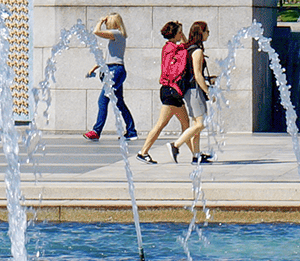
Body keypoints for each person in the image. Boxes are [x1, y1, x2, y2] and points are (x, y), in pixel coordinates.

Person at [134, 21, 192, 163]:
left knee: (186, 125)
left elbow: (185, 46)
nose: (181, 35)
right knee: (161, 124)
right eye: (180, 32)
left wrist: (181, 34)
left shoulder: (169, 47)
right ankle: (143, 152)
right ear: (175, 34)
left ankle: (196, 153)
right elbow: (187, 49)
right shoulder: (172, 49)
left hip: (171, 92)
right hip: (170, 91)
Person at [84, 12, 136, 140]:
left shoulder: (117, 34)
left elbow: (96, 32)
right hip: (115, 70)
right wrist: (95, 67)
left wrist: (100, 21)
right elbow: (110, 57)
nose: (106, 24)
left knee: (102, 101)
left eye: (108, 22)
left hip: (115, 71)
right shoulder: (117, 37)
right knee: (119, 103)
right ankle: (131, 131)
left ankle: (96, 131)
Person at [168, 21, 214, 162]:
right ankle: (175, 145)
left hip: (188, 90)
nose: (208, 34)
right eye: (207, 31)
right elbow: (198, 75)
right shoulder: (197, 51)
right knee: (201, 124)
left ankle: (196, 155)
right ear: (201, 33)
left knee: (196, 125)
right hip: (194, 90)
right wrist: (208, 92)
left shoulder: (188, 48)